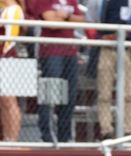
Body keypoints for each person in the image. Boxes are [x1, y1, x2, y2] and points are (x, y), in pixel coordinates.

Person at [85, 0, 131, 139]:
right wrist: (101, 36)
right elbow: (89, 22)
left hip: (127, 47)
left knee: (129, 94)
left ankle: (128, 130)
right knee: (104, 93)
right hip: (105, 47)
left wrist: (126, 33)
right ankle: (106, 130)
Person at [30, 0, 85, 143]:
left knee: (70, 95)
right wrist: (68, 18)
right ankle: (47, 134)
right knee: (50, 94)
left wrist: (63, 16)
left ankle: (64, 136)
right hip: (51, 52)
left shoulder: (71, 1)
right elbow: (51, 23)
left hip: (70, 52)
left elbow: (81, 20)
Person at [0, 0, 24, 142]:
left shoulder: (14, 9)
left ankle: (13, 139)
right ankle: (7, 138)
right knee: (2, 103)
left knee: (10, 103)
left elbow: (11, 38)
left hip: (7, 58)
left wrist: (3, 61)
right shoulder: (2, 10)